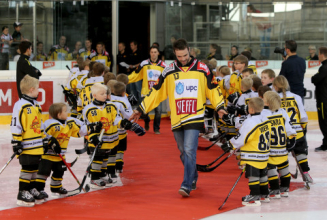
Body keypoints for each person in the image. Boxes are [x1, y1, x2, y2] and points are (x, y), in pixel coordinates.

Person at [129, 39, 225, 197]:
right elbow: (156, 92)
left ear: (189, 50)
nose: (183, 58)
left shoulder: (203, 68)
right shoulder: (168, 70)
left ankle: (186, 184)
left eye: (185, 55)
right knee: (182, 151)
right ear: (175, 54)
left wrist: (219, 106)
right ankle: (193, 175)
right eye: (179, 56)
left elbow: (213, 89)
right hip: (177, 117)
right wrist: (141, 108)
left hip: (195, 115)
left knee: (189, 149)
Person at [221, 97, 271, 206]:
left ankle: (254, 195)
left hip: (253, 153)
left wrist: (231, 145)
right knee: (262, 175)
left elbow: (243, 137)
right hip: (264, 153)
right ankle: (264, 194)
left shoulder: (250, 121)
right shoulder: (265, 119)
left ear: (251, 110)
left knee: (253, 176)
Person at [83, 83, 132, 188]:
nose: (105, 95)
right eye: (102, 93)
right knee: (97, 158)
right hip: (98, 140)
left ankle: (102, 174)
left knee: (105, 158)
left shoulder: (111, 105)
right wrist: (93, 137)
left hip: (111, 139)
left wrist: (122, 123)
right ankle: (94, 178)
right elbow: (87, 126)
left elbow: (116, 119)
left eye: (106, 93)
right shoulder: (89, 109)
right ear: (94, 95)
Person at [35, 103, 87, 198]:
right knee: (43, 172)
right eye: (65, 111)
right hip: (47, 155)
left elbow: (79, 131)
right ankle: (39, 189)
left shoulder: (69, 123)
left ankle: (56, 187)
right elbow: (43, 135)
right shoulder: (50, 124)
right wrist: (49, 142)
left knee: (59, 171)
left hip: (60, 155)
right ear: (59, 115)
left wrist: (91, 128)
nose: (68, 113)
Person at [10, 75, 47, 207]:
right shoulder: (20, 105)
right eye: (37, 88)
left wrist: (45, 139)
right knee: (27, 168)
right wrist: (16, 142)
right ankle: (22, 192)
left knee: (34, 168)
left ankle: (31, 189)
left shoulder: (36, 105)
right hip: (26, 145)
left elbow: (40, 124)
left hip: (37, 145)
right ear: (32, 89)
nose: (39, 90)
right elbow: (16, 124)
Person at [273, 75, 313, 183]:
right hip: (297, 132)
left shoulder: (274, 99)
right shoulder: (296, 97)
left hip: (282, 133)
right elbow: (303, 116)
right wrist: (303, 129)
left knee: (281, 155)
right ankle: (305, 173)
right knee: (301, 153)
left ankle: (282, 175)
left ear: (275, 86)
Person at [261, 91, 297, 198]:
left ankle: (274, 189)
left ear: (267, 102)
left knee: (271, 169)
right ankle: (285, 188)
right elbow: (290, 130)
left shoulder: (263, 113)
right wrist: (291, 141)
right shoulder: (282, 112)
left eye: (263, 98)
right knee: (284, 168)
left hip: (270, 148)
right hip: (282, 148)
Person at [128, 46, 166, 134]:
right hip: (146, 92)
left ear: (158, 53)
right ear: (150, 53)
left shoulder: (164, 66)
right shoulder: (144, 63)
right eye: (152, 52)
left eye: (155, 52)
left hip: (157, 92)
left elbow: (167, 78)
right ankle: (147, 120)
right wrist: (127, 79)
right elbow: (136, 74)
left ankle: (156, 128)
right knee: (144, 112)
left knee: (158, 111)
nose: (153, 54)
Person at [311, 46, 327, 151]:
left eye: (319, 54)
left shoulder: (324, 67)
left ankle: (326, 144)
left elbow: (315, 79)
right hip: (324, 98)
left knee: (324, 122)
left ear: (322, 55)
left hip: (323, 100)